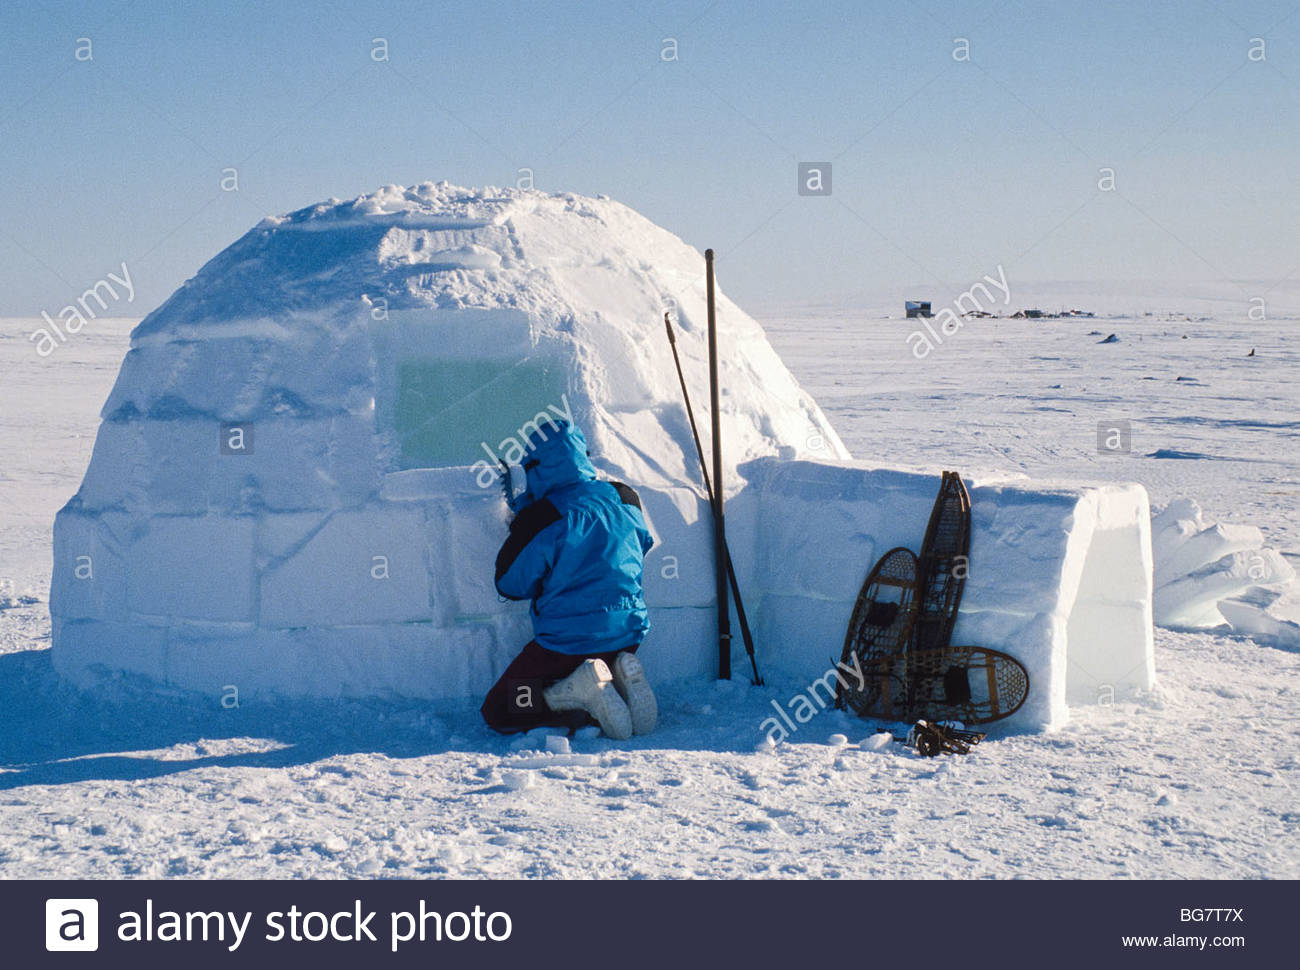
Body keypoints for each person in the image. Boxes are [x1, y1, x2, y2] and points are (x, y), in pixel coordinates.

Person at [480, 419, 657, 740]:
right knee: (602, 658)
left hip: (566, 646)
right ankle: (617, 680)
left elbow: (509, 584)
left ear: (534, 467)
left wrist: (522, 526)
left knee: (501, 709)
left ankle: (569, 696)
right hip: (628, 634)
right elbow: (643, 545)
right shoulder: (624, 496)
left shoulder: (542, 517)